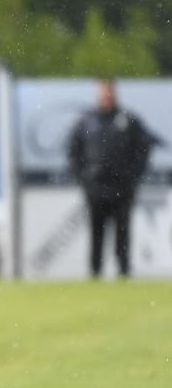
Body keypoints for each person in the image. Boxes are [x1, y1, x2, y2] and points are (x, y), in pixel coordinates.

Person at [68, 78, 154, 278]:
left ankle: (123, 271)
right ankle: (95, 272)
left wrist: (134, 175)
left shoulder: (128, 120)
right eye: (103, 92)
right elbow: (73, 152)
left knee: (122, 232)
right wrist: (84, 178)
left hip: (122, 187)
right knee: (96, 232)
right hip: (96, 187)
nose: (106, 96)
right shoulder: (86, 121)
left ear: (115, 94)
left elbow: (143, 149)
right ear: (98, 95)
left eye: (109, 92)